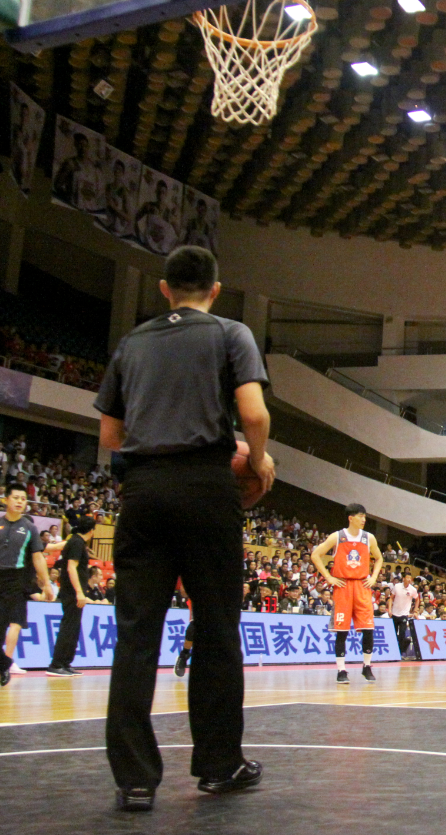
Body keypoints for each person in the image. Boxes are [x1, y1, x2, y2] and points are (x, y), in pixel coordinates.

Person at [95, 245, 275, 811]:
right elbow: (254, 414)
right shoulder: (230, 333)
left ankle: (135, 779)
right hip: (205, 489)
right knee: (218, 630)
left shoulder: (131, 343)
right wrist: (258, 461)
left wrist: (152, 455)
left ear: (164, 289)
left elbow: (108, 437)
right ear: (215, 290)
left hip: (144, 493)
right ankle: (220, 766)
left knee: (137, 636)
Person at [311, 503, 384, 685]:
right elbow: (315, 555)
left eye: (365, 516)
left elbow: (379, 558)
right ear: (351, 518)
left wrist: (373, 576)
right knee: (341, 631)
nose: (364, 520)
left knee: (368, 629)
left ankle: (366, 666)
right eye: (361, 516)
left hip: (362, 586)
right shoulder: (337, 536)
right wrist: (329, 577)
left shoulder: (369, 538)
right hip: (342, 586)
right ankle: (341, 670)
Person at [1, 482, 54, 684]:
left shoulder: (30, 528)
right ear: (6, 499)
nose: (20, 502)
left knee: (2, 626)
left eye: (23, 499)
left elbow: (38, 558)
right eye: (15, 498)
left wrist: (46, 584)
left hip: (14, 581)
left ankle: (3, 667)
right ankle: (4, 664)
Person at [48, 513, 96, 677]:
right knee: (68, 627)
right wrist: (79, 592)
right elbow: (71, 567)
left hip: (74, 592)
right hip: (72, 592)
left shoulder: (76, 541)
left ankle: (65, 663)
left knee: (73, 627)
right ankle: (56, 664)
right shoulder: (76, 542)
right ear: (91, 531)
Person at [389, 575, 420, 659]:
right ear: (403, 579)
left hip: (404, 614)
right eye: (407, 578)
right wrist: (389, 610)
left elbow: (417, 599)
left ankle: (401, 652)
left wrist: (415, 611)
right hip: (395, 613)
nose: (408, 580)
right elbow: (391, 598)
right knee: (393, 633)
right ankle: (393, 652)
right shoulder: (397, 586)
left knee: (402, 633)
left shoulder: (413, 589)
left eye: (410, 578)